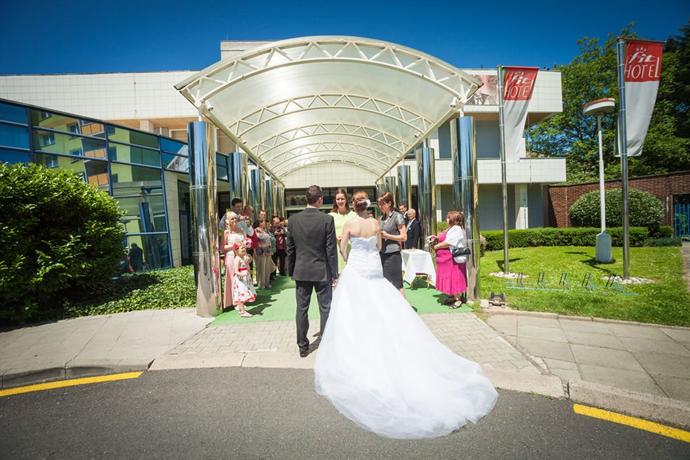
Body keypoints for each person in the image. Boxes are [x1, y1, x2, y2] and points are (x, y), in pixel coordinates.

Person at [314, 192, 497, 440]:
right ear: (368, 206)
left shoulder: (349, 224)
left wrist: (350, 258)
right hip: (373, 269)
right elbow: (379, 247)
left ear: (354, 206)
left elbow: (343, 247)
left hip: (357, 268)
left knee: (352, 309)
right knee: (381, 303)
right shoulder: (375, 223)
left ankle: (360, 345)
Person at [286, 185, 338, 358]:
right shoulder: (327, 219)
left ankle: (302, 346)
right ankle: (326, 343)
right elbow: (331, 249)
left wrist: (291, 270)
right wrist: (334, 273)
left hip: (301, 270)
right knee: (325, 308)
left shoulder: (293, 220)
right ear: (320, 199)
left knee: (301, 309)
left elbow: (290, 249)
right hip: (322, 270)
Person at [433, 211, 468, 308]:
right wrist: (436, 238)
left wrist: (437, 246)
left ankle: (458, 299)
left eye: (448, 217)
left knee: (454, 277)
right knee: (449, 277)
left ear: (454, 219)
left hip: (452, 258)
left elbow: (449, 242)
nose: (446, 219)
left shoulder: (457, 228)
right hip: (446, 259)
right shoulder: (451, 228)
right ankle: (453, 296)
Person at [377, 192, 407, 297]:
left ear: (389, 203)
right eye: (379, 204)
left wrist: (388, 236)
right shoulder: (381, 218)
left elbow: (404, 237)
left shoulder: (397, 216)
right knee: (385, 283)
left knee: (397, 283)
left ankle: (404, 306)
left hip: (393, 254)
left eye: (382, 204)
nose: (380, 206)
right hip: (382, 254)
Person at [328, 188, 357, 271]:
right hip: (335, 250)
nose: (340, 201)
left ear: (346, 200)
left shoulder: (354, 215)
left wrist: (347, 237)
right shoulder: (330, 216)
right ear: (335, 200)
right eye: (338, 199)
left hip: (351, 249)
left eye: (342, 199)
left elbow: (358, 232)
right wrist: (335, 236)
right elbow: (327, 233)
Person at [222, 211, 246, 310]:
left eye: (235, 218)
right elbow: (223, 247)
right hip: (231, 257)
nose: (234, 220)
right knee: (233, 279)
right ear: (228, 221)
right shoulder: (226, 232)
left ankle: (242, 300)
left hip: (241, 257)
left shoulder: (241, 230)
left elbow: (245, 242)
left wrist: (245, 244)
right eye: (232, 218)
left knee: (241, 279)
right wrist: (233, 246)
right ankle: (235, 302)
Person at [232, 243, 256, 317]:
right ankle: (242, 312)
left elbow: (247, 266)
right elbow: (236, 271)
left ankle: (241, 310)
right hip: (240, 280)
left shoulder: (243, 258)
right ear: (236, 251)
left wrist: (247, 265)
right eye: (241, 248)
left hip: (245, 279)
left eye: (244, 248)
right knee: (241, 294)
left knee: (244, 293)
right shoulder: (237, 259)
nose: (244, 249)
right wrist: (242, 274)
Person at [254, 220, 276, 289]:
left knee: (267, 268)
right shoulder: (256, 230)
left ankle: (267, 283)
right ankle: (261, 284)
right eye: (263, 222)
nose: (264, 223)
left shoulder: (265, 230)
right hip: (261, 251)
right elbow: (257, 239)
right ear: (259, 223)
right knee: (261, 268)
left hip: (268, 251)